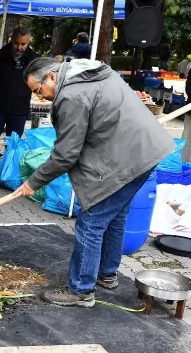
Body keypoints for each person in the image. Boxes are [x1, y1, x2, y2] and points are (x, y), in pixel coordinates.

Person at [14, 57, 174, 307]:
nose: (41, 97)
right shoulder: (91, 71)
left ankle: (81, 290)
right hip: (144, 151)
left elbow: (67, 154)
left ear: (52, 77)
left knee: (91, 222)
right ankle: (107, 275)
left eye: (38, 90)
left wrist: (33, 182)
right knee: (117, 216)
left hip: (130, 157)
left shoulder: (71, 96)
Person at [0, 27, 38, 173]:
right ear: (11, 40)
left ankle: (8, 168)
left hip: (19, 107)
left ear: (28, 42)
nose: (19, 47)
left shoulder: (33, 59)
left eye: (23, 44)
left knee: (13, 141)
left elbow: (37, 79)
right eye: (17, 43)